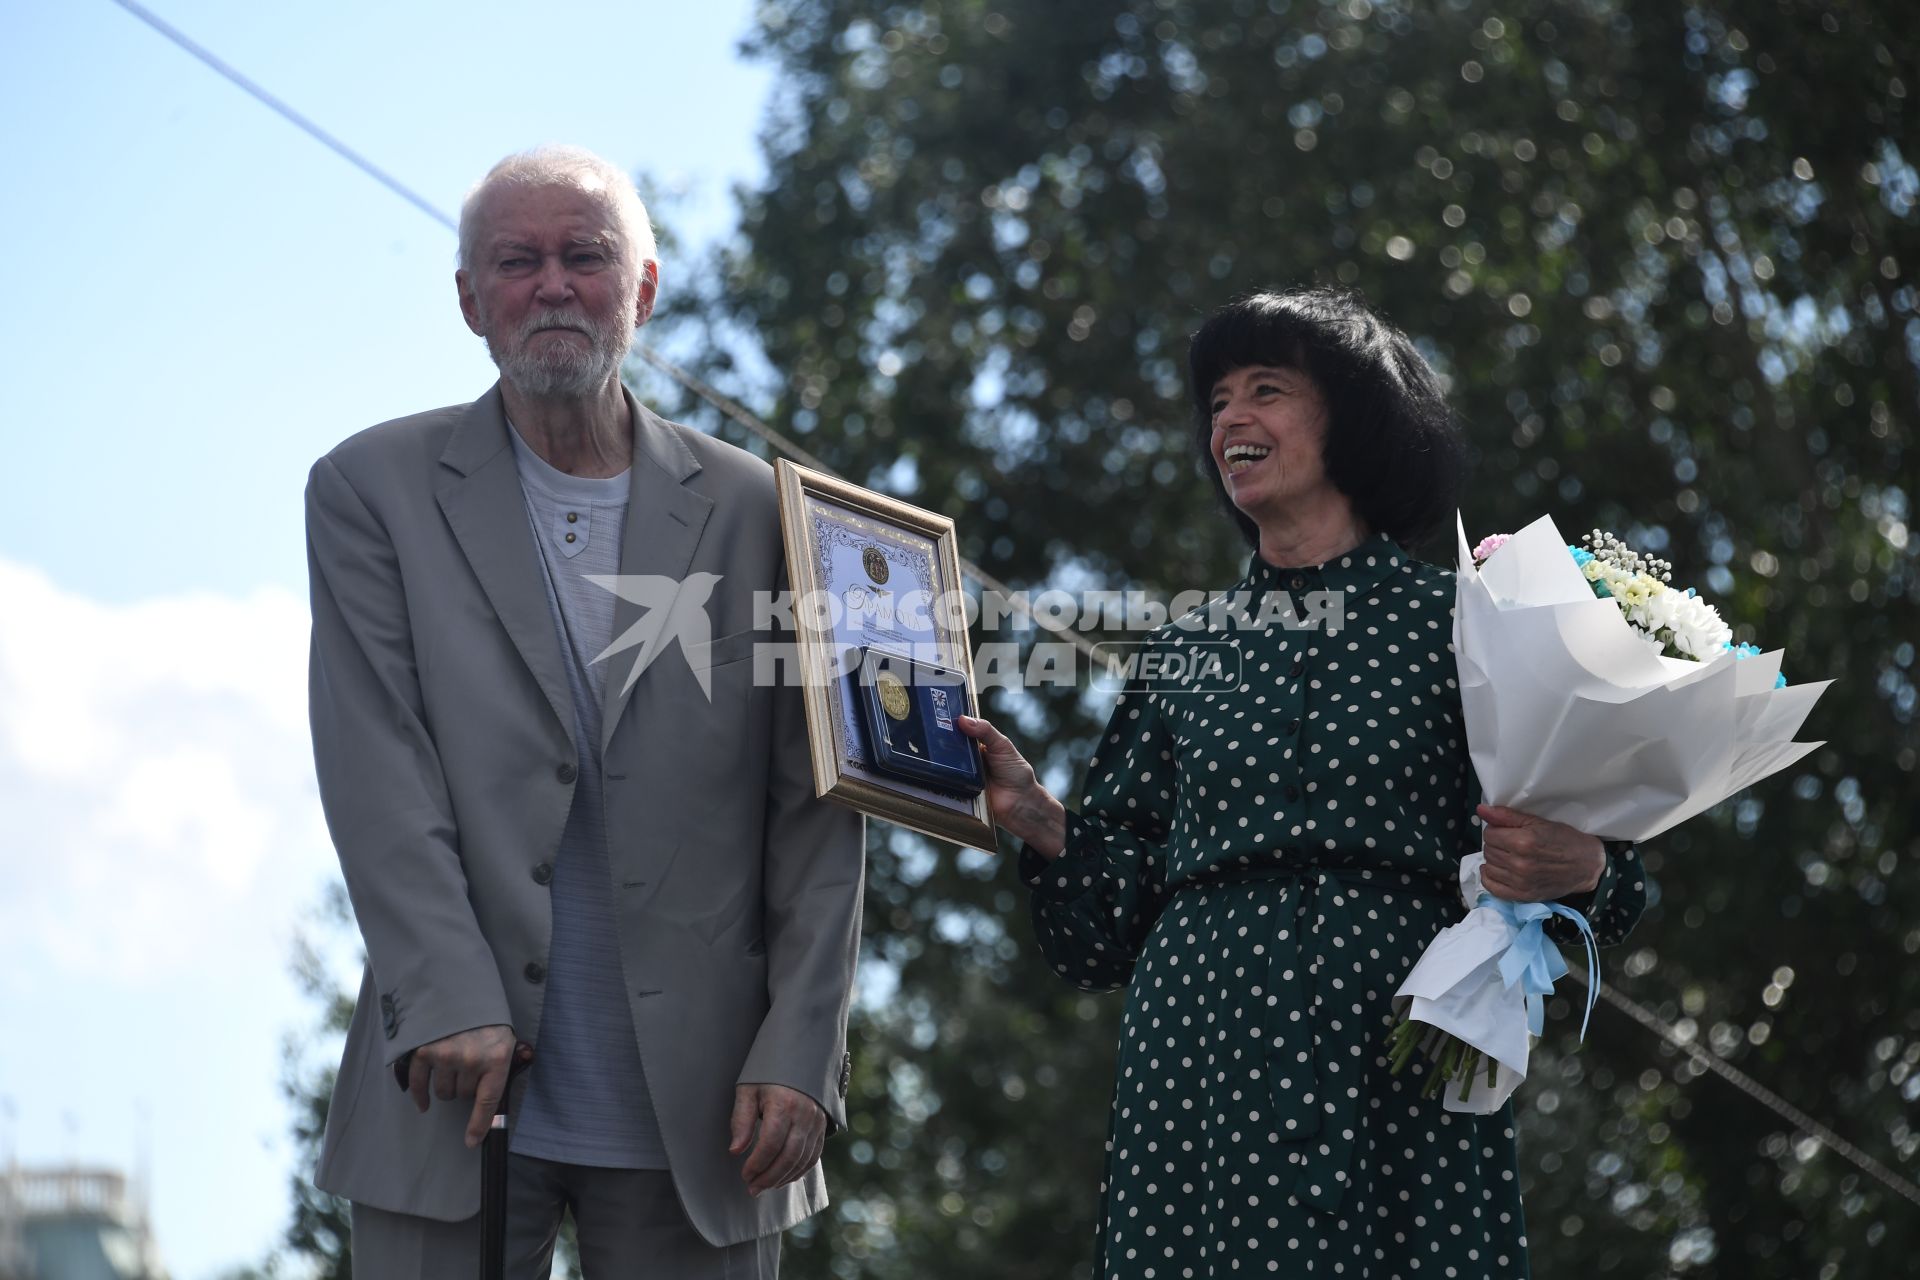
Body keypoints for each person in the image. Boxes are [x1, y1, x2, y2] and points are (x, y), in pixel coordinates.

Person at [958, 288, 1645, 1278]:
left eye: (1266, 391)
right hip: (1199, 1053)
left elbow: (1610, 877)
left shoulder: (1465, 622)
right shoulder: (1188, 646)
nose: (1230, 419)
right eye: (1218, 401)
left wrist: (1580, 864)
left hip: (1405, 1040)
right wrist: (1039, 815)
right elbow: (1106, 923)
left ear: (1356, 420)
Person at [303, 145, 865, 1279]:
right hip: (448, 1082)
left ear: (644, 288)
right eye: (518, 260)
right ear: (470, 299)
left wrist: (805, 1046)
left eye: (586, 255)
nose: (553, 283)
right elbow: (377, 765)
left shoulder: (770, 512)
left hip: (713, 1108)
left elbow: (818, 805)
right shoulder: (370, 488)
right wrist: (450, 990)